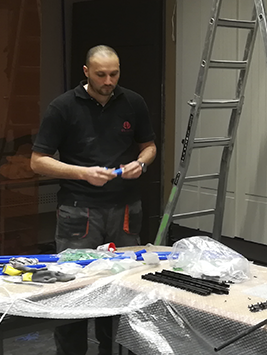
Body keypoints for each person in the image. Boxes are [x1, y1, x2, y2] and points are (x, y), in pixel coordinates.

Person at [31, 45, 156, 355]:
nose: (108, 81)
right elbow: (38, 161)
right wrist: (82, 173)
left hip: (125, 208)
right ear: (86, 72)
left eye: (114, 74)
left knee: (124, 285)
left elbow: (150, 146)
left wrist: (141, 163)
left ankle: (113, 349)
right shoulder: (63, 107)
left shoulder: (133, 102)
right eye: (101, 75)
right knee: (74, 288)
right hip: (79, 211)